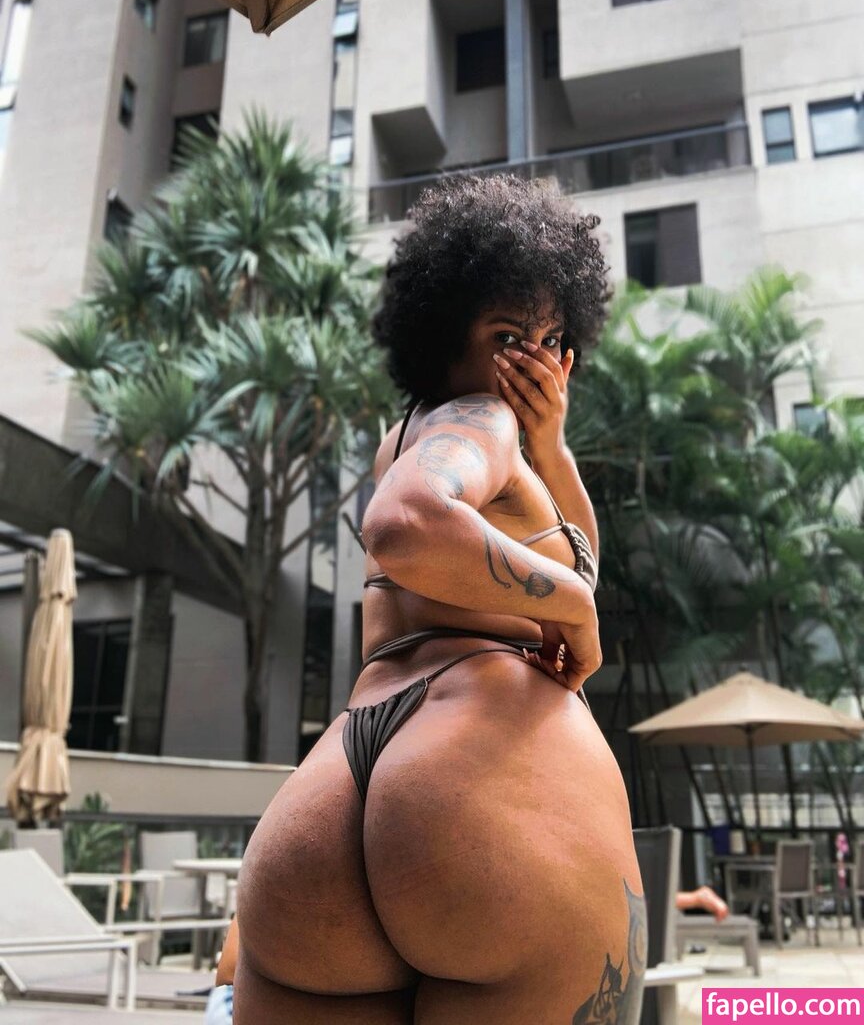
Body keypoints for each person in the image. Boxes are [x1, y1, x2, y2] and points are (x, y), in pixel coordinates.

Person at [231, 173, 647, 1023]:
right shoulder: (477, 422)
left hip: (331, 800)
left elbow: (575, 557)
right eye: (507, 335)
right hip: (481, 778)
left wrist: (553, 448)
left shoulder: (428, 433)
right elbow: (407, 523)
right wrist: (573, 608)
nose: (535, 361)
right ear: (443, 334)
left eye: (551, 338)